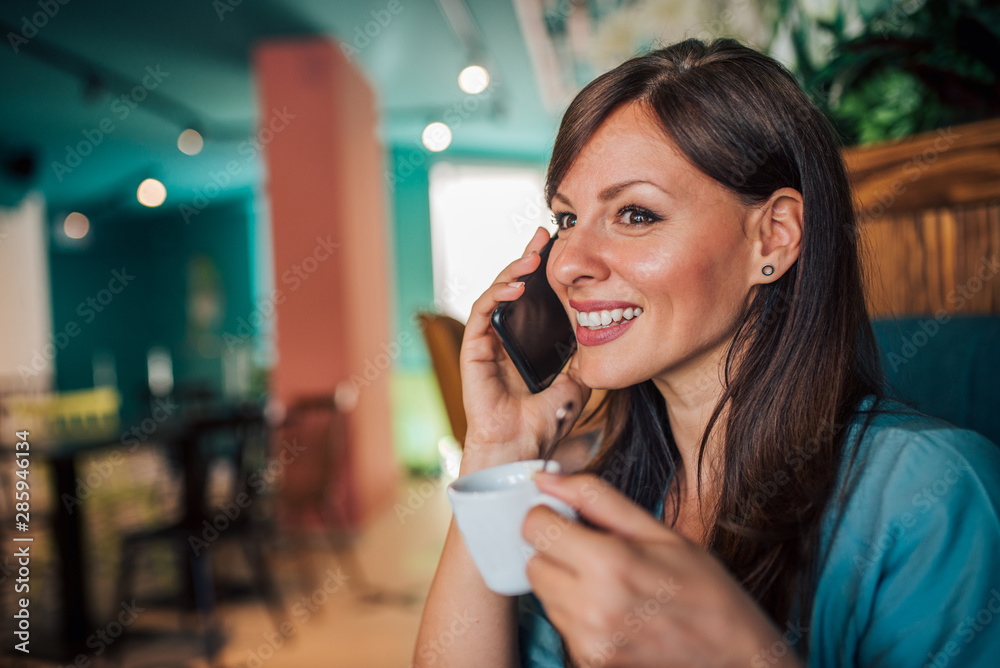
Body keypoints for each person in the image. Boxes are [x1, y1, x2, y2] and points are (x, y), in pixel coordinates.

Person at [413, 38, 1000, 667]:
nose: (568, 265)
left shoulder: (931, 498)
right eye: (565, 220)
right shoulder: (595, 496)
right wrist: (496, 452)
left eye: (635, 214)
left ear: (772, 236)